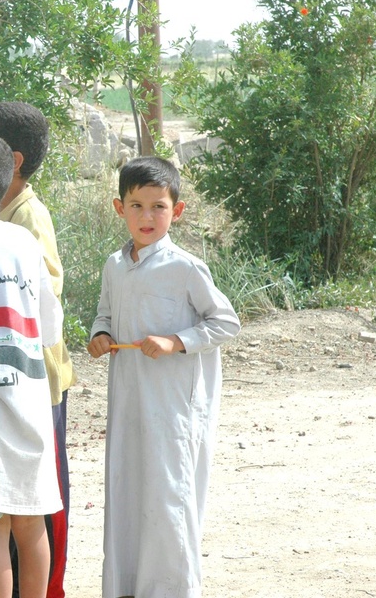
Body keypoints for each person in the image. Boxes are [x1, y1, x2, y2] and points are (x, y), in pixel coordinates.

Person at [86, 156, 241, 598]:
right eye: (136, 206)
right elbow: (105, 313)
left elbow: (225, 322)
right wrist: (101, 335)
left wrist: (177, 340)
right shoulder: (114, 265)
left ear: (178, 210)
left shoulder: (185, 267)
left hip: (174, 408)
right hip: (129, 399)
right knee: (128, 489)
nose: (147, 217)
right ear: (119, 208)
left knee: (170, 495)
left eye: (158, 206)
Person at [0, 101, 74, 598]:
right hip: (18, 382)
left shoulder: (28, 217)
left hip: (35, 386)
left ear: (11, 161)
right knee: (22, 512)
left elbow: (47, 295)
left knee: (31, 511)